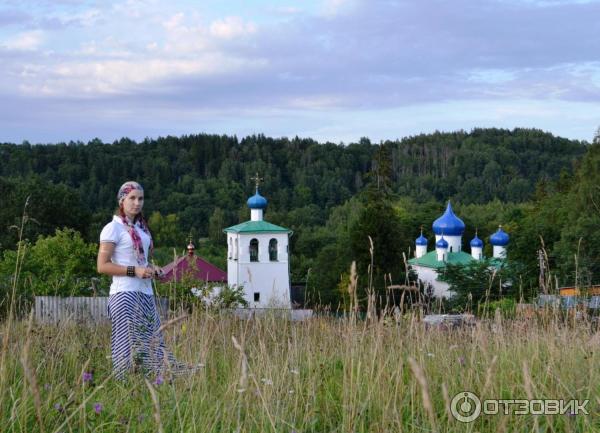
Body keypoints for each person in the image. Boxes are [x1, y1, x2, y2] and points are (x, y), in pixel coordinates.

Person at [97, 181, 197, 380]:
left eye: (140, 198)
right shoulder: (112, 228)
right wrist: (136, 271)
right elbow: (102, 266)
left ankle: (152, 383)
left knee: (153, 343)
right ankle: (123, 386)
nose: (137, 203)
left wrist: (152, 269)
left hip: (145, 293)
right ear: (122, 200)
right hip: (124, 294)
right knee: (126, 346)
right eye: (132, 198)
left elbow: (139, 261)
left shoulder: (140, 228)